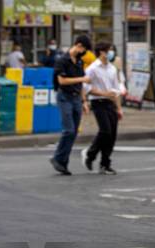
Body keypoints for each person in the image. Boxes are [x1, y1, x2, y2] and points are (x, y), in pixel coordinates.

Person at [50, 35, 92, 175]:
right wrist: (82, 79)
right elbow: (62, 81)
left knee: (74, 132)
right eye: (83, 49)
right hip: (64, 97)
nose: (82, 53)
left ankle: (62, 162)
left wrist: (84, 101)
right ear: (78, 45)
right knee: (68, 130)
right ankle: (58, 158)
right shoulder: (62, 60)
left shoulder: (79, 62)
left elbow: (80, 85)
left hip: (76, 99)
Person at [81, 42, 123, 176]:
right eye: (109, 50)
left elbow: (116, 89)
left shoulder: (112, 68)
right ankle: (90, 154)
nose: (111, 53)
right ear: (102, 52)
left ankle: (105, 164)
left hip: (111, 103)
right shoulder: (92, 69)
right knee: (105, 131)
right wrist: (104, 94)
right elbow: (86, 88)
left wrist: (119, 108)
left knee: (112, 135)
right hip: (98, 103)